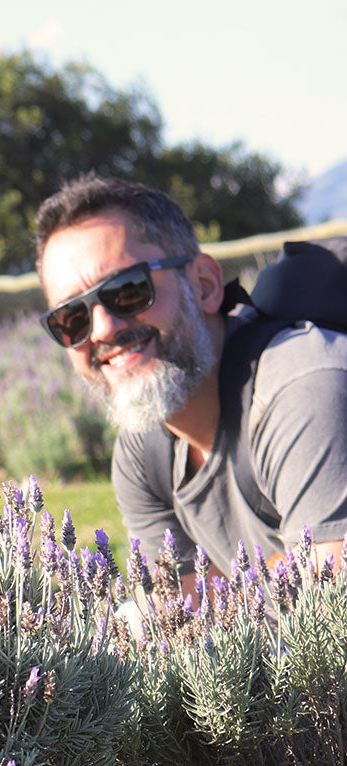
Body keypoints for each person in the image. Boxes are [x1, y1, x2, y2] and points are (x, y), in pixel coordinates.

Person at [34, 174, 347, 595]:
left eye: (127, 290)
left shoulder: (301, 387)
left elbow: (329, 620)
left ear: (204, 285)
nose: (103, 329)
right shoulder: (143, 451)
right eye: (71, 318)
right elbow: (180, 625)